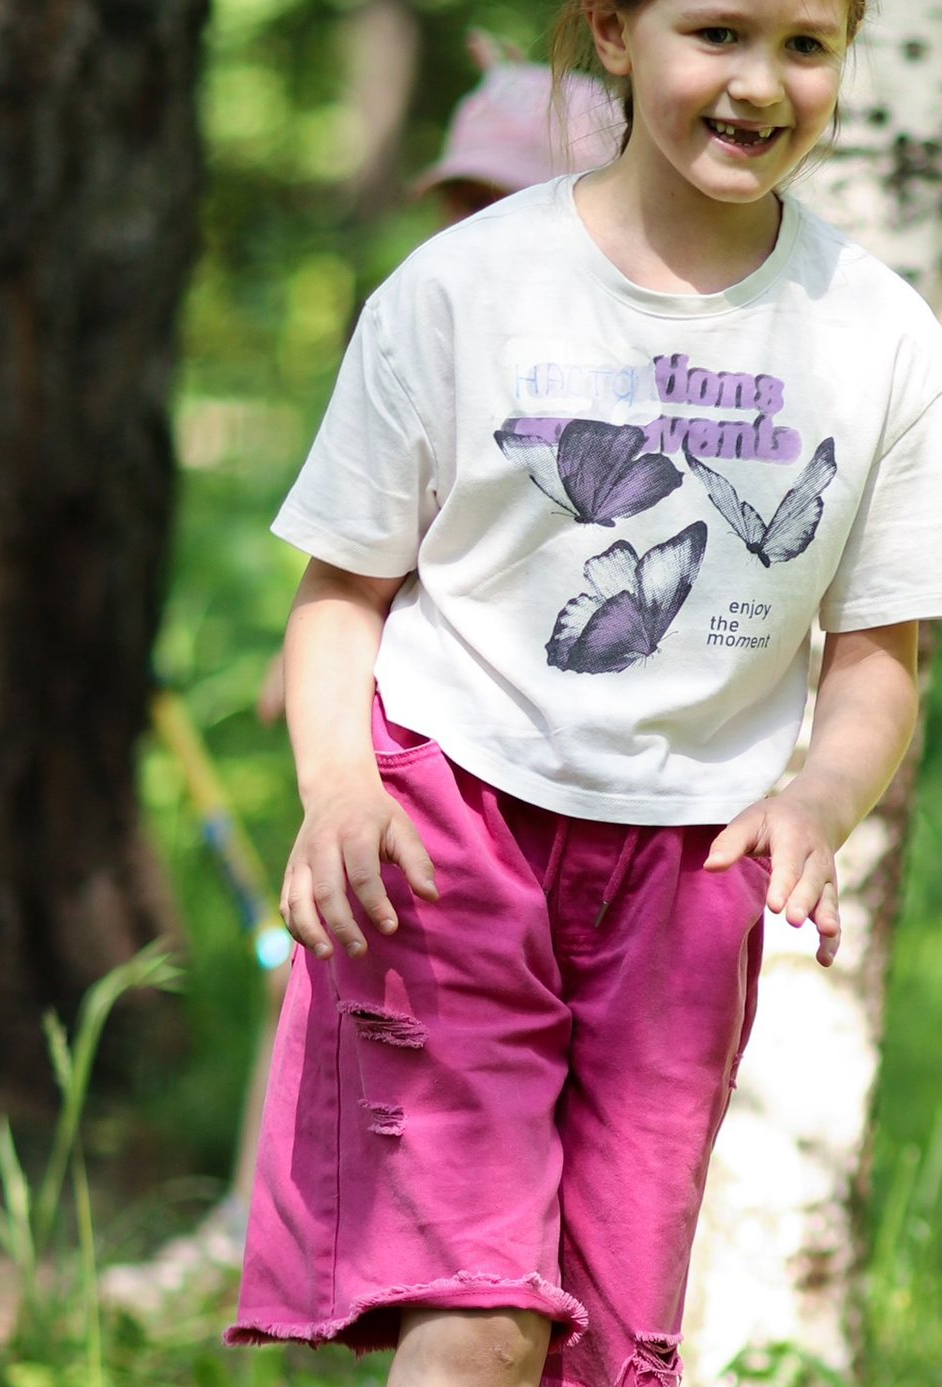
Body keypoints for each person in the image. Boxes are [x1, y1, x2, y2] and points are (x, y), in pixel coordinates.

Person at [241, 0, 942, 1387]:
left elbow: (884, 654)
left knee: (545, 1330)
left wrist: (820, 796)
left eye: (807, 43)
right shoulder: (468, 289)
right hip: (451, 824)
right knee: (475, 1317)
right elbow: (337, 596)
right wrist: (336, 785)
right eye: (713, 31)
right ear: (611, 33)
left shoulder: (876, 340)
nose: (758, 82)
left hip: (683, 873)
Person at [109, 36, 624, 1318]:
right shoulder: (431, 312)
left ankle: (552, 1278)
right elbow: (370, 545)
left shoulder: (626, 368)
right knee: (332, 979)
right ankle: (270, 1223)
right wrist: (331, 676)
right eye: (454, 200)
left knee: (602, 1069)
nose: (464, 228)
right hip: (405, 767)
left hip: (597, 798)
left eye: (492, 201)